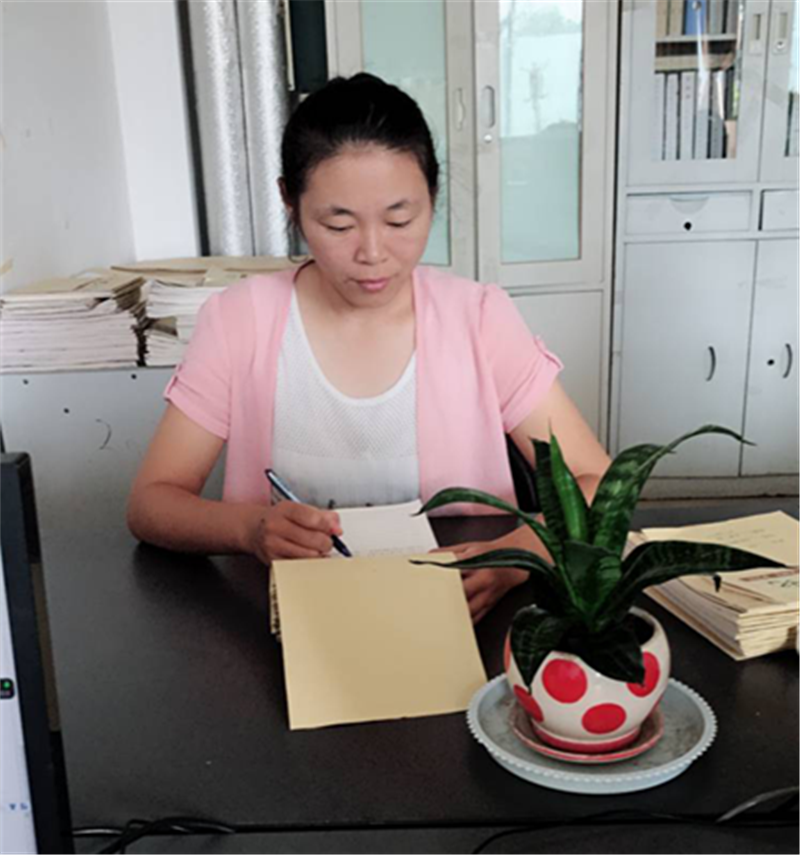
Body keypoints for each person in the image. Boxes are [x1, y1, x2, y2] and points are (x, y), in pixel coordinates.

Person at [127, 72, 610, 623]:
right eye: (338, 225)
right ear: (289, 202)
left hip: (460, 614)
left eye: (400, 219)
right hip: (292, 623)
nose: (373, 253)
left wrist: (514, 558)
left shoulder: (479, 319)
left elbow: (596, 481)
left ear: (433, 197)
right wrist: (248, 529)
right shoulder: (241, 320)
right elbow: (151, 501)